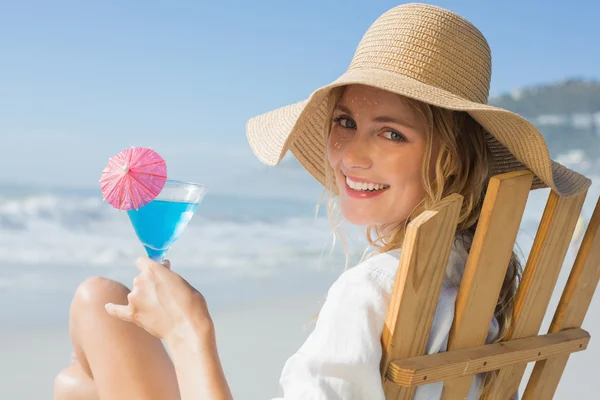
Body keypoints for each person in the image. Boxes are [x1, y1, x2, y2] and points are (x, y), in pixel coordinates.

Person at [53, 3, 591, 400]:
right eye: (345, 123)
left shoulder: (373, 291)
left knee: (83, 354)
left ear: (450, 159)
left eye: (391, 134)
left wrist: (188, 330)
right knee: (88, 340)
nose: (352, 156)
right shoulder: (479, 278)